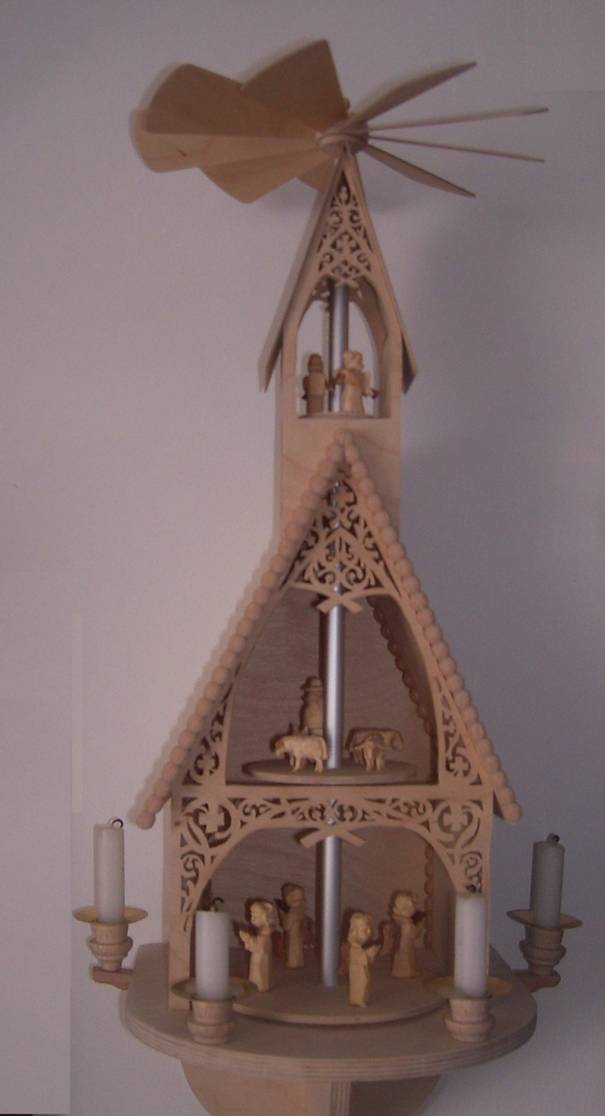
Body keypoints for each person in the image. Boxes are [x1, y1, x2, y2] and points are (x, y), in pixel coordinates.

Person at [239, 899, 278, 991]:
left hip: (260, 960)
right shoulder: (262, 934)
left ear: (265, 918)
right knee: (257, 970)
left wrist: (247, 938)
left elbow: (258, 947)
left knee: (259, 971)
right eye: (251, 915)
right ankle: (258, 984)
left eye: (255, 916)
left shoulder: (264, 936)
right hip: (259, 958)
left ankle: (259, 985)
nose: (252, 919)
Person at [347, 911, 380, 1006]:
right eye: (365, 930)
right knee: (361, 984)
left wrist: (371, 953)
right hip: (358, 971)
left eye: (369, 929)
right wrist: (369, 953)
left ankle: (363, 998)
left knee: (365, 983)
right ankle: (358, 1000)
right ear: (353, 932)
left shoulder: (359, 947)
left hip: (363, 970)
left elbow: (367, 960)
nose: (369, 932)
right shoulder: (354, 948)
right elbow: (359, 959)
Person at [333, 350, 378, 416]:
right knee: (347, 411)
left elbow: (364, 389)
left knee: (357, 412)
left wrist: (371, 392)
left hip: (356, 396)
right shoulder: (344, 373)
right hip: (348, 395)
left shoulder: (362, 375)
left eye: (360, 361)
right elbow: (337, 381)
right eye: (358, 362)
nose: (361, 364)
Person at [390, 890, 421, 978]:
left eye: (413, 906)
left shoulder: (402, 920)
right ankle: (405, 973)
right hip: (405, 946)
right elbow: (413, 934)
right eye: (407, 908)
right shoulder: (406, 923)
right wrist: (418, 928)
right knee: (406, 960)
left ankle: (403, 971)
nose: (413, 909)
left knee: (405, 959)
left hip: (403, 945)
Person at [280, 883, 306, 969]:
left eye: (302, 899)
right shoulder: (291, 913)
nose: (300, 903)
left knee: (299, 948)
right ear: (288, 900)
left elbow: (302, 921)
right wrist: (292, 918)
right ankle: (293, 962)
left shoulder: (299, 910)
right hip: (292, 934)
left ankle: (299, 962)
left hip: (298, 933)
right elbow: (286, 926)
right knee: (292, 949)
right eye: (296, 901)